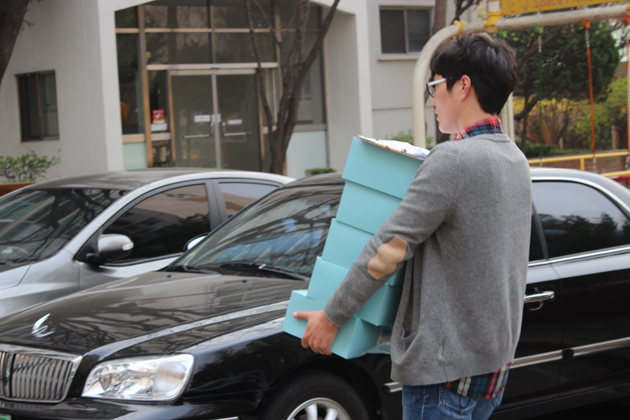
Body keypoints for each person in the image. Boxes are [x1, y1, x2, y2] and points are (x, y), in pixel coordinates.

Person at [294, 33, 532, 420]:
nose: (432, 99)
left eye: (435, 86)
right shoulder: (516, 161)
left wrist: (333, 315)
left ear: (463, 86)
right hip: (492, 368)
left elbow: (389, 250)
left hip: (444, 373)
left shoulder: (452, 160)